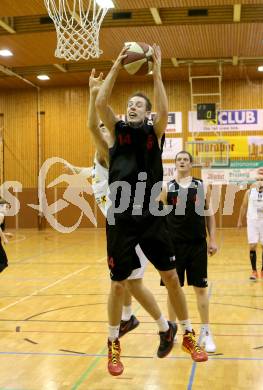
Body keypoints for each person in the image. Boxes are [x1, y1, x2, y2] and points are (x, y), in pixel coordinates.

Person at [96, 44, 208, 376]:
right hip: (120, 216)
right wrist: (117, 64)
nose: (133, 107)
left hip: (150, 214)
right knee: (118, 284)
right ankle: (114, 343)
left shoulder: (152, 133)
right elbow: (101, 103)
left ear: (146, 114)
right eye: (129, 104)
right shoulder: (116, 134)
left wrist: (156, 71)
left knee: (172, 278)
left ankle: (187, 333)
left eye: (138, 105)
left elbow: (163, 107)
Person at [68, 69, 173, 343]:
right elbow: (93, 126)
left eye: (109, 128)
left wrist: (95, 97)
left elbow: (94, 125)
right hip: (118, 220)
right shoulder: (101, 155)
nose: (106, 130)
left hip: (132, 220)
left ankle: (161, 325)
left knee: (130, 282)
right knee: (123, 279)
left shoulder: (113, 152)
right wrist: (92, 95)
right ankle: (130, 317)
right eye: (105, 128)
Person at [160, 151, 218, 353]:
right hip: (174, 246)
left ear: (191, 164)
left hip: (197, 245)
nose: (182, 162)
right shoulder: (167, 187)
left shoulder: (201, 185)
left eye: (185, 159)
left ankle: (206, 332)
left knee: (201, 289)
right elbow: (160, 217)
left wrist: (213, 240)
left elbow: (209, 214)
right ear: (175, 164)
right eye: (179, 159)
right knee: (173, 289)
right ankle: (171, 330)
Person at [237, 174, 263, 281]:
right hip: (252, 221)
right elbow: (244, 206)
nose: (259, 182)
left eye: (262, 180)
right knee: (252, 245)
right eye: (258, 180)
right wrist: (240, 220)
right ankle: (254, 271)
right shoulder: (249, 192)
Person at [0, 199, 9, 273]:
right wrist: (4, 238)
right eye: (6, 207)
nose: (7, 209)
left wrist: (5, 234)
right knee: (3, 262)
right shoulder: (1, 215)